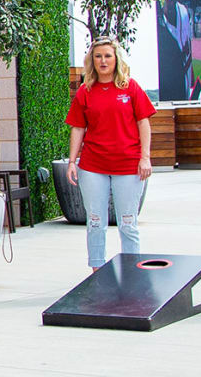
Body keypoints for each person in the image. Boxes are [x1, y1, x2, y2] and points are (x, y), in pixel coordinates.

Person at [64, 38, 156, 268]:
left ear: (116, 59)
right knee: (95, 221)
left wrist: (145, 157)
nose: (103, 61)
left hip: (128, 165)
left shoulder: (130, 87)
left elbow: (143, 123)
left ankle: (131, 270)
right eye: (98, 56)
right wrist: (72, 161)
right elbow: (78, 127)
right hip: (93, 166)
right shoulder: (85, 92)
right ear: (91, 61)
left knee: (128, 222)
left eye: (107, 56)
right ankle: (97, 270)